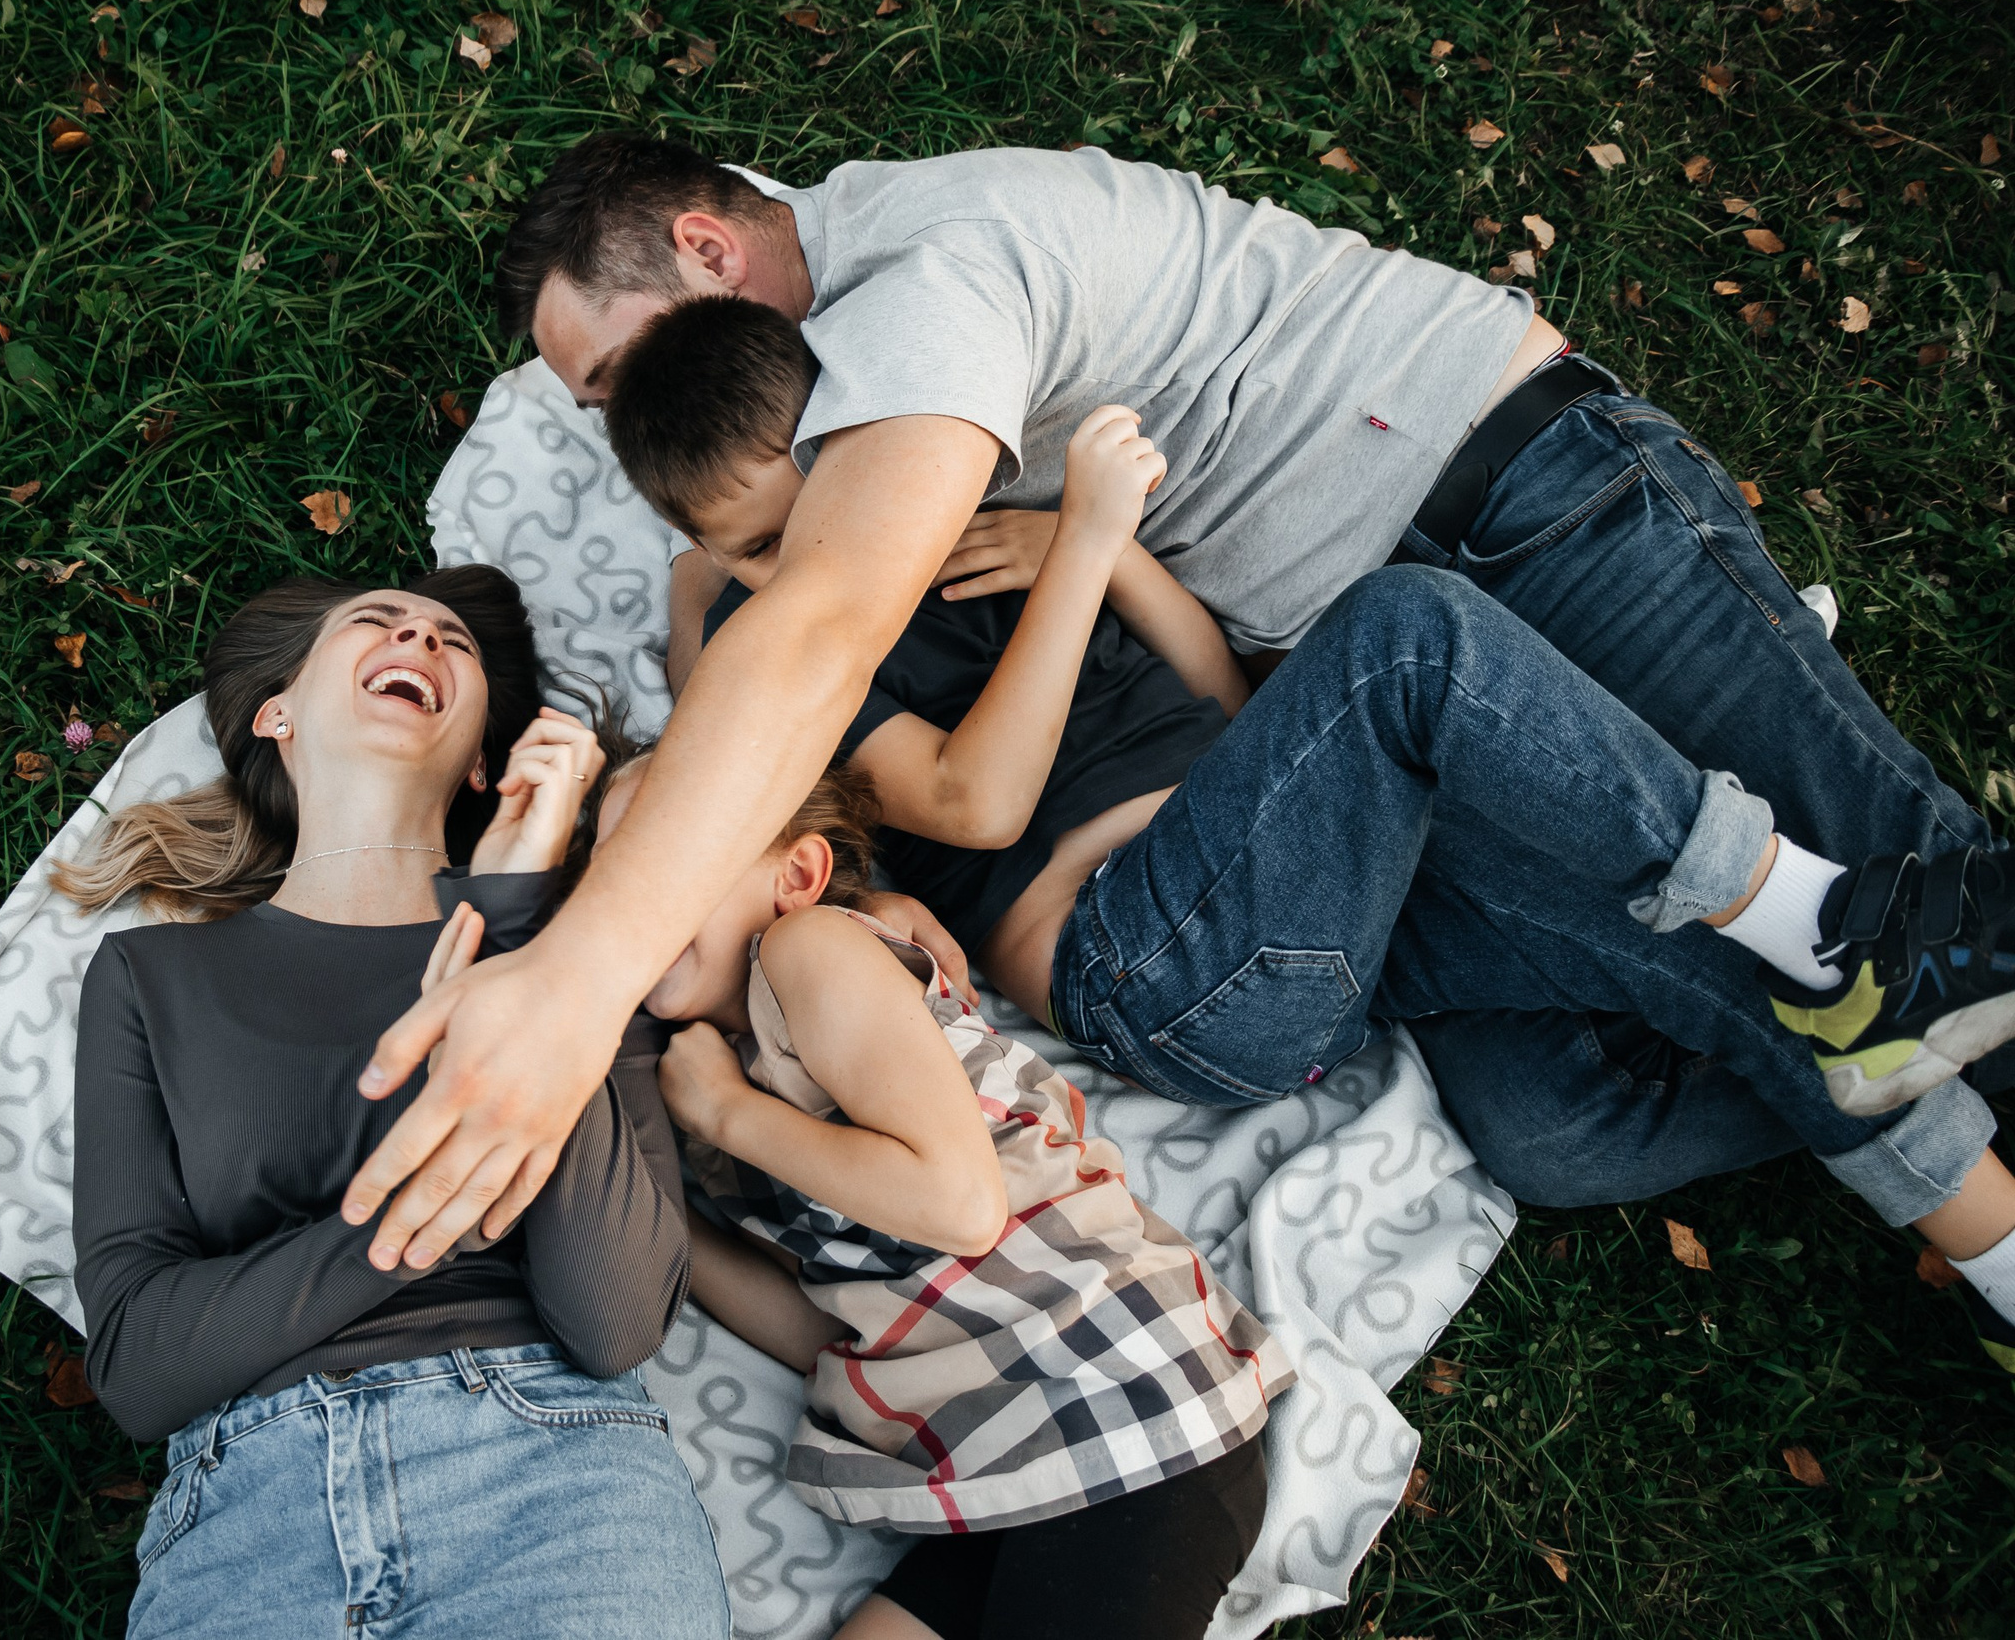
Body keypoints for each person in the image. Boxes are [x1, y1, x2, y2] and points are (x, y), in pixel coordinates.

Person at [334, 132, 2004, 1284]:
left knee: (1905, 927)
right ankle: (1858, 1017)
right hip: (1310, 821)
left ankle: (1856, 989)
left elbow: (828, 626)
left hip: (1520, 509)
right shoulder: (845, 453)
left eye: (613, 372)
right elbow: (826, 655)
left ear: (710, 252)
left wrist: (580, 977)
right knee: (1562, 1105)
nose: (623, 419)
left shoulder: (919, 297)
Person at [598, 292, 2015, 1369]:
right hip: (1157, 959)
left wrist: (1106, 555)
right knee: (1405, 636)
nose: (818, 562)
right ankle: (1821, 914)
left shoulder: (979, 523)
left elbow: (1226, 703)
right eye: (758, 549)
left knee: (1554, 1121)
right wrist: (1081, 543)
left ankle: (1961, 1170)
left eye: (824, 514)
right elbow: (978, 802)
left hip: (1331, 908)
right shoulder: (789, 657)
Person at [56, 568, 729, 1640]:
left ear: (482, 763)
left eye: (451, 640)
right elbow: (140, 1364)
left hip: (556, 1498)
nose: (417, 635)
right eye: (376, 621)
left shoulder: (583, 950)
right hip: (251, 1523)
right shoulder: (150, 981)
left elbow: (614, 1320)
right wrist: (431, 1219)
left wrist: (517, 922)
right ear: (277, 714)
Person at [597, 752, 1287, 1640]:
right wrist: (665, 1227)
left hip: (1124, 1402)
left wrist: (731, 1113)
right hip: (1003, 1457)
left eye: (662, 849)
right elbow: (834, 1323)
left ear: (796, 876)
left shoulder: (808, 952)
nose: (626, 893)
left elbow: (961, 1202)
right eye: (604, 872)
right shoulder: (726, 1092)